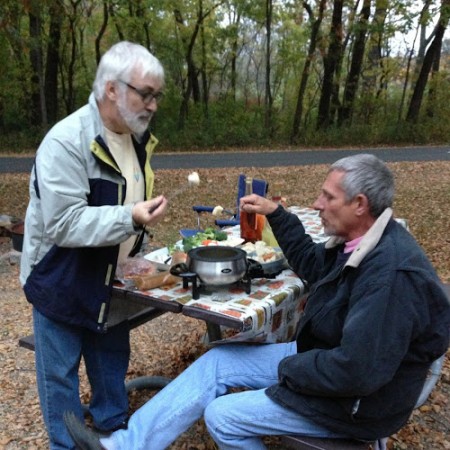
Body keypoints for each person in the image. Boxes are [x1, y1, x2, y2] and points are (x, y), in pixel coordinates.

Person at [63, 154, 450, 450]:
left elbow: (357, 373)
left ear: (360, 204)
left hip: (360, 404)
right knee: (217, 360)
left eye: (327, 197)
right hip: (328, 361)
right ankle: (123, 446)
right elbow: (314, 265)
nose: (317, 204)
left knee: (223, 417)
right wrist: (277, 214)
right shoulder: (359, 242)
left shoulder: (390, 276)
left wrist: (290, 369)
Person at [20, 41, 168, 450]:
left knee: (109, 363)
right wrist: (131, 218)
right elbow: (64, 223)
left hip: (110, 277)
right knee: (60, 379)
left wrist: (134, 247)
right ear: (111, 89)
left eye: (157, 95)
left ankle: (113, 436)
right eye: (145, 93)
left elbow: (125, 201)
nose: (153, 105)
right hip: (60, 278)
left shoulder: (136, 139)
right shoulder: (67, 141)